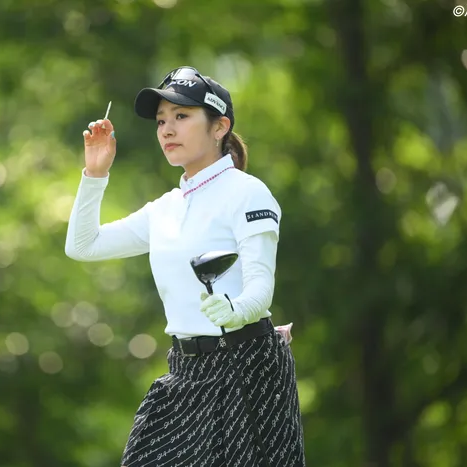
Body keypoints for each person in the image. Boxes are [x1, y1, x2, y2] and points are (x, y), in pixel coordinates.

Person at [65, 66, 306, 467]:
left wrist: (237, 310)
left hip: (247, 368)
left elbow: (261, 289)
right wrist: (95, 173)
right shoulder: (165, 209)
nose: (167, 129)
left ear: (219, 127)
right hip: (185, 371)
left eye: (181, 116)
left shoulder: (248, 193)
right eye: (161, 121)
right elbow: (82, 245)